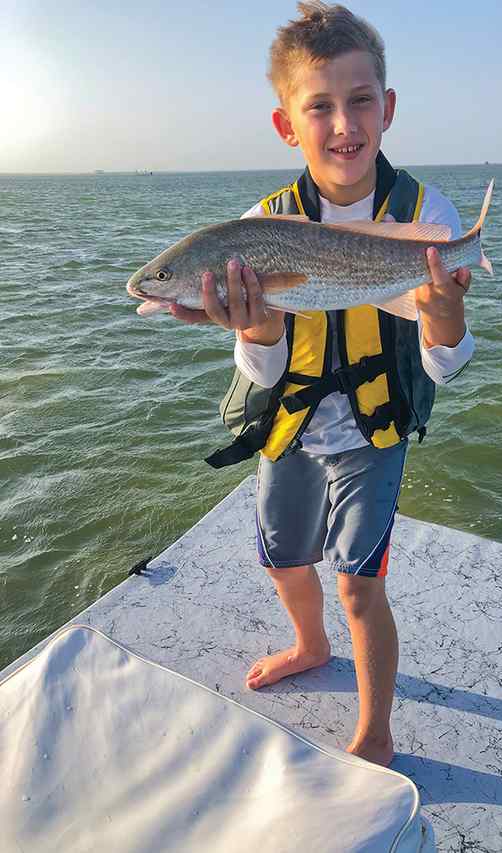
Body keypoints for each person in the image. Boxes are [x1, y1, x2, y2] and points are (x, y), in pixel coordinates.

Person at [171, 1, 475, 767]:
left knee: (360, 588)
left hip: (376, 430)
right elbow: (262, 373)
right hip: (291, 426)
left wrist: (444, 310)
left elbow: (447, 361)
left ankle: (375, 729)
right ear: (287, 125)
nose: (344, 124)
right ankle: (308, 644)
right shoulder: (258, 225)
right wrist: (258, 328)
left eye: (360, 100)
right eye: (320, 106)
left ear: (388, 108)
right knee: (282, 558)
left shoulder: (425, 216)